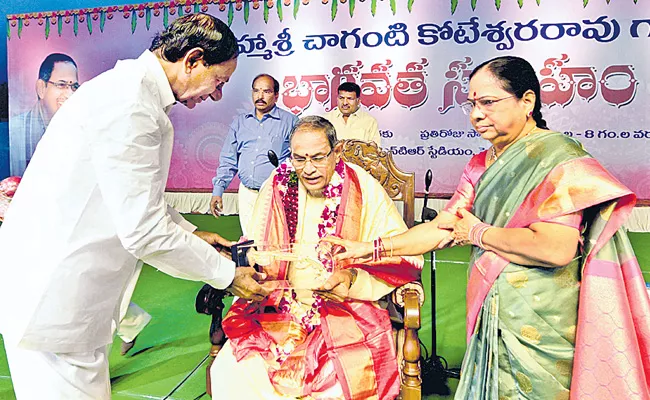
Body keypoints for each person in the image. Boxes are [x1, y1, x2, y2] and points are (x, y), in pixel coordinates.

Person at [324, 56, 650, 399]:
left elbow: (556, 248)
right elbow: (444, 227)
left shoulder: (557, 158)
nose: (476, 114)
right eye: (472, 104)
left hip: (543, 318)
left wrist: (478, 233)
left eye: (488, 102)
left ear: (527, 101)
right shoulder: (481, 165)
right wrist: (368, 249)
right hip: (490, 307)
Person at [0, 13, 270, 399]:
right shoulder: (130, 103)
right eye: (218, 82)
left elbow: (134, 195)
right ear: (192, 60)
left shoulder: (135, 94)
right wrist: (227, 275)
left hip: (73, 295)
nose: (216, 95)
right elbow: (142, 229)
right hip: (52, 295)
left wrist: (194, 233)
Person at [209, 116, 423, 399]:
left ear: (336, 152)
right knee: (232, 369)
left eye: (318, 158)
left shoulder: (363, 187)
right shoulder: (278, 184)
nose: (308, 169)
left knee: (338, 383)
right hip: (280, 308)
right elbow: (257, 244)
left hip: (346, 307)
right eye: (299, 159)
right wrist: (243, 259)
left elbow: (401, 253)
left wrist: (351, 277)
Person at [211, 74, 298, 235]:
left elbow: (298, 159)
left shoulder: (291, 122)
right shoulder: (240, 122)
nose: (260, 96)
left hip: (276, 193)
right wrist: (218, 190)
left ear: (276, 95)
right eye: (256, 91)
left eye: (266, 91)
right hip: (247, 193)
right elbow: (229, 159)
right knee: (250, 241)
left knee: (275, 240)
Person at [9, 53, 79, 176]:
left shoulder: (78, 130)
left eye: (74, 86)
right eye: (61, 85)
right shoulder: (15, 132)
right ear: (41, 88)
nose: (70, 94)